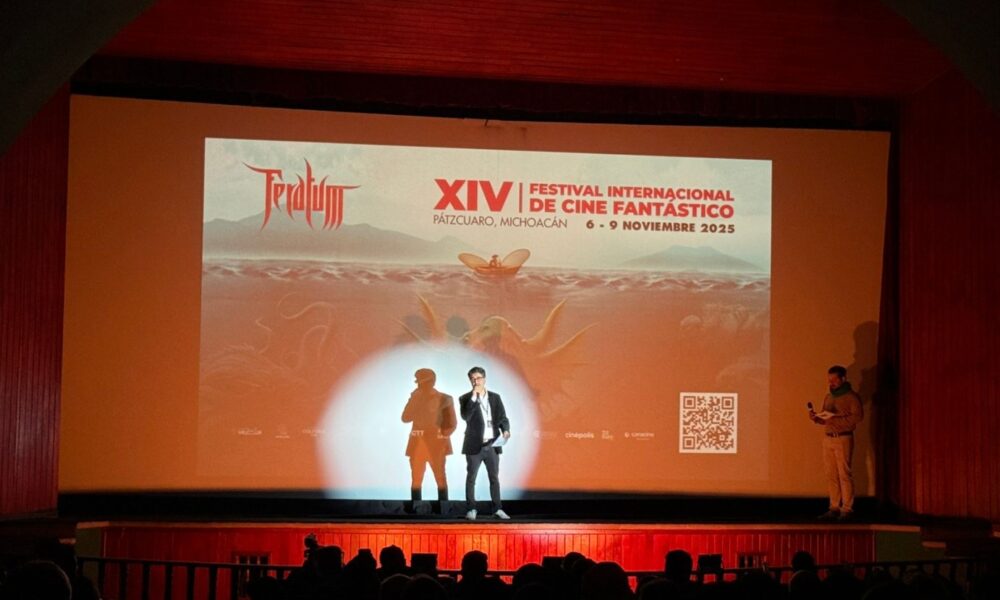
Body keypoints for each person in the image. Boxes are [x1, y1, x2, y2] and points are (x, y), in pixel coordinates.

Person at [810, 365, 864, 520]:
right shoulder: (829, 397)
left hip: (843, 438)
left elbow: (857, 417)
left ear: (843, 379)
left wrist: (835, 419)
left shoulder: (851, 397)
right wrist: (816, 418)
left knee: (844, 474)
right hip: (828, 438)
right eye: (829, 380)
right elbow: (825, 419)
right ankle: (834, 507)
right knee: (831, 475)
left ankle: (847, 508)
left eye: (834, 380)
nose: (831, 383)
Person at [459, 366, 511, 520]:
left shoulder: (495, 398)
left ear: (484, 379)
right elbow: (466, 417)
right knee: (471, 478)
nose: (476, 381)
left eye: (478, 378)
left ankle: (497, 509)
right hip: (474, 445)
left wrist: (506, 430)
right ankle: (471, 509)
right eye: (473, 379)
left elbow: (502, 418)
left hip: (492, 445)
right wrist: (474, 397)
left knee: (494, 478)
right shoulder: (465, 398)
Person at [402, 368, 456, 514]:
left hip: (437, 445)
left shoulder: (445, 399)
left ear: (431, 382)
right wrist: (414, 399)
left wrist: (440, 437)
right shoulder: (416, 398)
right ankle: (416, 509)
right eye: (418, 383)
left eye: (421, 382)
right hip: (418, 445)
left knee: (440, 478)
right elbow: (405, 418)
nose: (419, 385)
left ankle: (443, 509)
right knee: (416, 479)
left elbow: (451, 423)